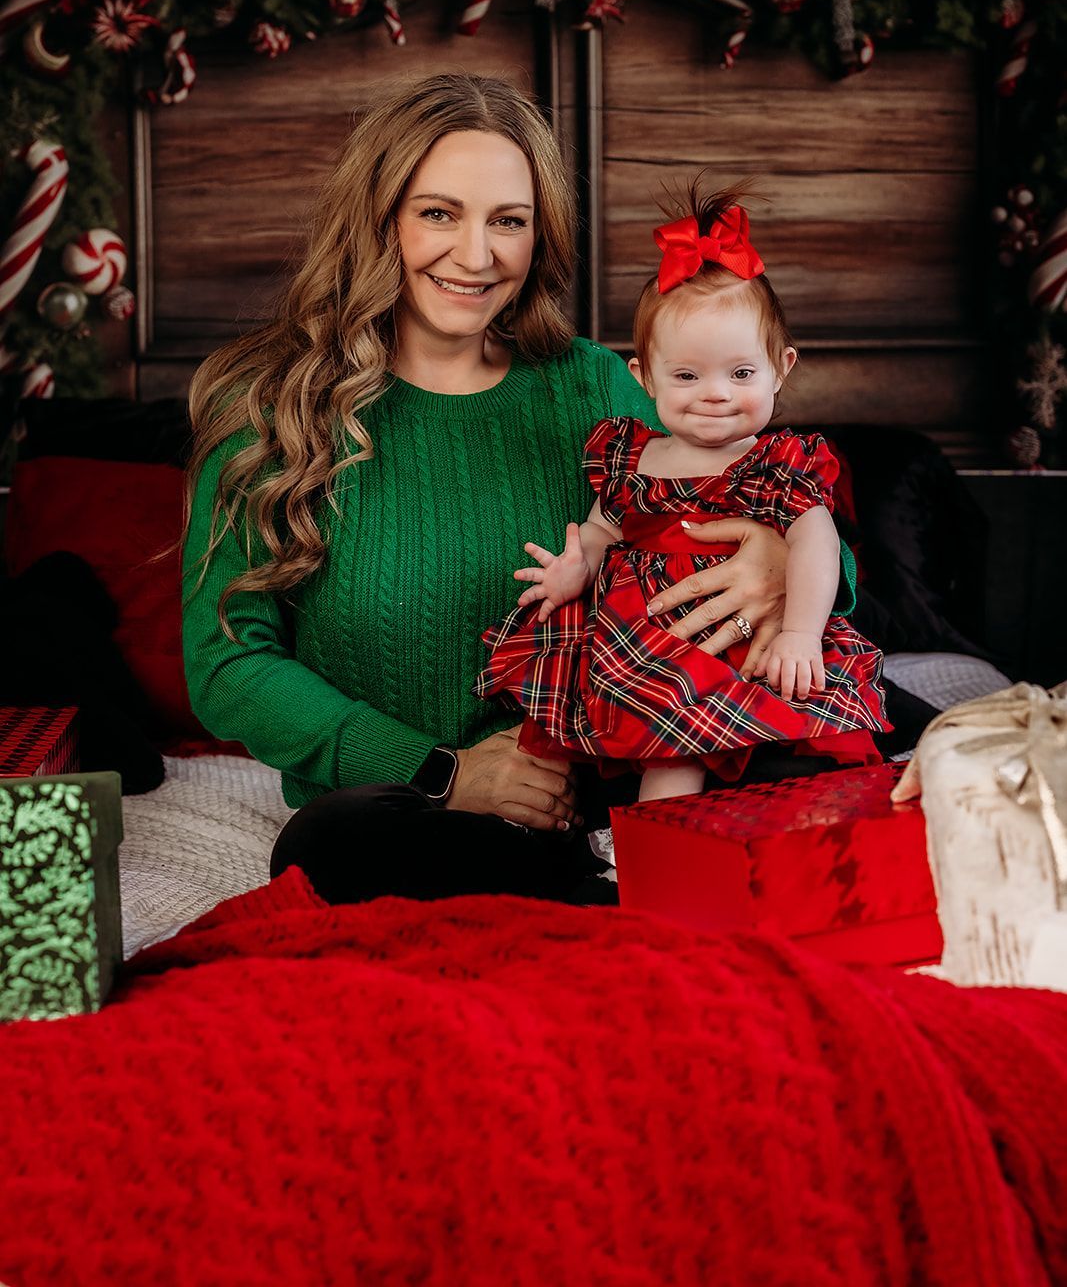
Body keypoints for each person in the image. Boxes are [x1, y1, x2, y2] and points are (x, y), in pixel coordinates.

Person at [181, 75, 853, 906]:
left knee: (854, 746)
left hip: (638, 764)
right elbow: (229, 664)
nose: (476, 255)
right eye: (438, 213)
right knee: (327, 846)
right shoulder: (269, 407)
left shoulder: (596, 385)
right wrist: (445, 772)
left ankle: (644, 879)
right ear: (376, 217)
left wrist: (779, 564)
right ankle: (604, 897)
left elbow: (788, 508)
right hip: (414, 808)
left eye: (508, 221)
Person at [475, 189, 890, 802]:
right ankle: (659, 867)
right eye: (687, 375)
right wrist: (572, 569)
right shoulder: (631, 457)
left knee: (811, 763)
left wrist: (802, 632)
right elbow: (600, 530)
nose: (715, 393)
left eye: (741, 373)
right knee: (669, 760)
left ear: (782, 368)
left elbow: (817, 543)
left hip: (762, 646)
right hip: (657, 650)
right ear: (644, 377)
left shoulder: (775, 464)